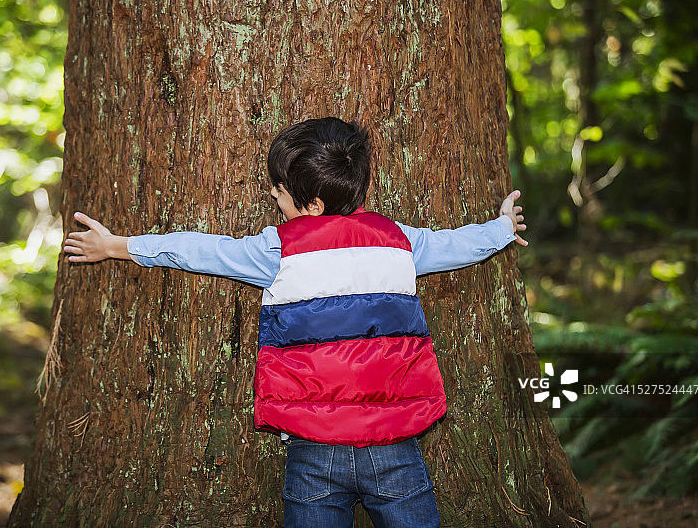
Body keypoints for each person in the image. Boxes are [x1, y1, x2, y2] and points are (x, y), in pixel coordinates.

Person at [63, 117, 527, 527]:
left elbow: (202, 251)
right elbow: (457, 245)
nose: (272, 194)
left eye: (280, 190)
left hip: (314, 446)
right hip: (394, 443)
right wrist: (502, 227)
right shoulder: (398, 241)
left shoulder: (277, 251)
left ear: (314, 205)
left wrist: (119, 246)